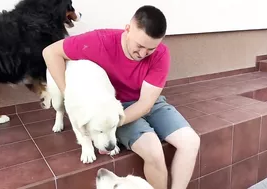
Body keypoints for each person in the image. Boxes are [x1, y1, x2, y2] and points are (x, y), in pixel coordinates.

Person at [42, 5, 200, 189]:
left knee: (191, 142)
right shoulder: (100, 41)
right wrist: (68, 94)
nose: (143, 54)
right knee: (153, 150)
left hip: (145, 103)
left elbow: (146, 104)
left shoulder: (161, 54)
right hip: (115, 106)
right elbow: (50, 52)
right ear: (128, 29)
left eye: (150, 49)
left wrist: (113, 123)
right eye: (139, 46)